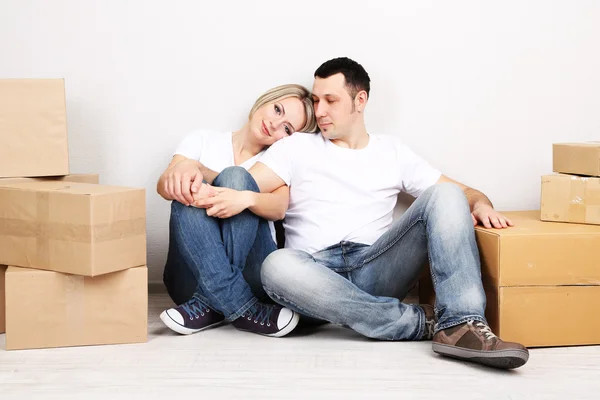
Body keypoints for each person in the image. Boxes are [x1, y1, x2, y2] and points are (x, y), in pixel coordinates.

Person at [239, 57, 529, 369]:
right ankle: (417, 323)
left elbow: (465, 193)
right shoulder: (296, 146)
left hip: (375, 268)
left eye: (331, 100)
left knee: (445, 194)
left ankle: (462, 324)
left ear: (359, 100)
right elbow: (237, 182)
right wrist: (189, 164)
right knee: (276, 265)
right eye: (316, 100)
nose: (319, 111)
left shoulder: (392, 152)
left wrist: (481, 203)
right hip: (313, 277)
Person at [157, 84, 318, 337]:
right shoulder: (202, 139)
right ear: (265, 101)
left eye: (287, 128)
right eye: (277, 110)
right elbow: (165, 186)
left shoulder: (277, 160)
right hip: (189, 278)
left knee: (237, 178)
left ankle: (212, 302)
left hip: (251, 276)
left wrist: (244, 199)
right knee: (185, 197)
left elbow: (278, 209)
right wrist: (187, 171)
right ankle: (244, 309)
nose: (275, 125)